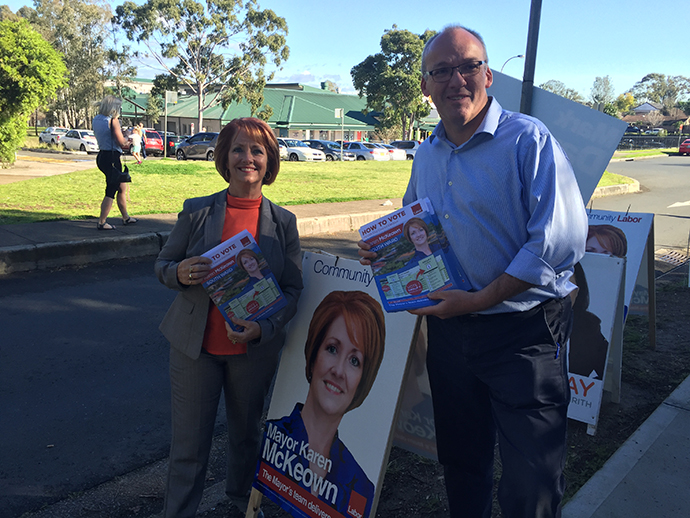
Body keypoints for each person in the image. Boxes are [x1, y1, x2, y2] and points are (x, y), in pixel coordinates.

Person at [359, 25, 587, 518]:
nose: (456, 79)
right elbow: (415, 227)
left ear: (488, 75)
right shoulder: (427, 154)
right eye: (441, 71)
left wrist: (480, 299)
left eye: (468, 66)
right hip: (451, 336)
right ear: (425, 86)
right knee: (463, 465)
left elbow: (557, 243)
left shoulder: (529, 140)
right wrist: (388, 255)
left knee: (532, 482)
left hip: (524, 334)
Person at [154, 117, 303, 518]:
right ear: (224, 156)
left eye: (258, 151)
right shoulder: (198, 211)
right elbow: (164, 264)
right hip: (194, 349)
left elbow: (292, 290)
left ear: (270, 160)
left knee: (245, 437)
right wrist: (179, 273)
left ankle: (242, 506)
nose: (248, 158)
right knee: (189, 446)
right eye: (238, 148)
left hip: (252, 352)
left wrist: (264, 328)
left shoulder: (284, 223)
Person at [263, 291, 385, 518]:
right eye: (332, 348)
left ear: (363, 379)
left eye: (354, 361)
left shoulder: (361, 487)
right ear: (313, 352)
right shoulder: (271, 440)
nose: (338, 370)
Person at [92, 95, 138, 230]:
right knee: (111, 189)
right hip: (112, 157)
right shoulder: (113, 121)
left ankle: (125, 217)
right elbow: (121, 142)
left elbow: (108, 135)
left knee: (122, 187)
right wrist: (128, 137)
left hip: (102, 156)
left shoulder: (97, 119)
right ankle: (102, 222)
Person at [569, 262, 609, 379]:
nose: (559, 290)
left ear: (578, 289)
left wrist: (586, 388)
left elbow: (605, 374)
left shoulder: (589, 327)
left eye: (566, 282)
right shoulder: (526, 320)